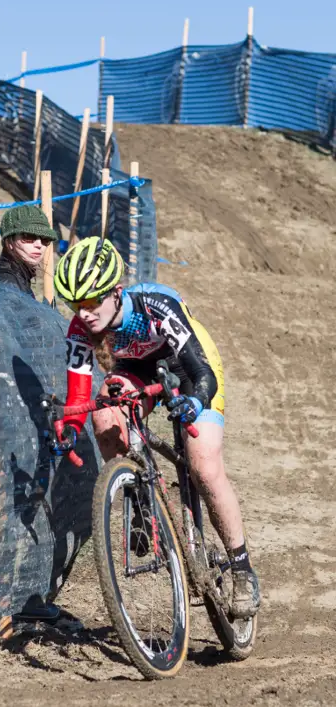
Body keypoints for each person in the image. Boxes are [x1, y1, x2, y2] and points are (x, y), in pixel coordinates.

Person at [53, 236, 261, 620]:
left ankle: (242, 567)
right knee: (104, 412)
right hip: (137, 371)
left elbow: (202, 372)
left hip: (190, 369)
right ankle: (142, 504)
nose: (83, 313)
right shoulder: (80, 329)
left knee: (203, 465)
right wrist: (68, 427)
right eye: (74, 304)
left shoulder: (156, 307)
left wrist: (195, 400)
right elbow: (78, 393)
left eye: (90, 301)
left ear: (116, 292)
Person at [0, 205, 57, 296]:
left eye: (45, 239)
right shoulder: (9, 285)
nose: (39, 244)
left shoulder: (20, 276)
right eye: (29, 236)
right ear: (9, 242)